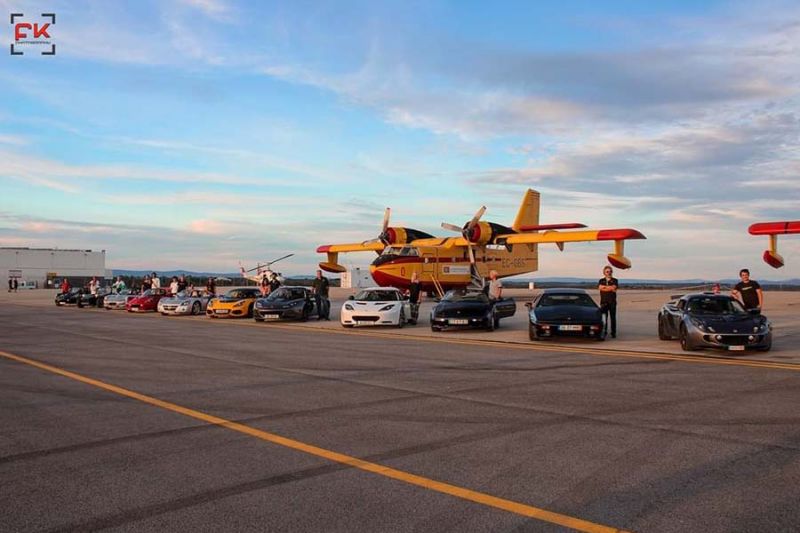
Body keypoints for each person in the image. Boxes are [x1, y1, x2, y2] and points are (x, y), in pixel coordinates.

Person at [598, 265, 619, 338]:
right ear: (604, 272)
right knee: (604, 318)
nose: (609, 273)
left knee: (613, 318)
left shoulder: (615, 280)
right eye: (607, 271)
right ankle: (604, 332)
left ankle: (613, 333)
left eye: (610, 271)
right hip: (604, 302)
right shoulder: (601, 280)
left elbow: (614, 288)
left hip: (612, 302)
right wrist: (609, 288)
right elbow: (600, 288)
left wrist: (605, 287)